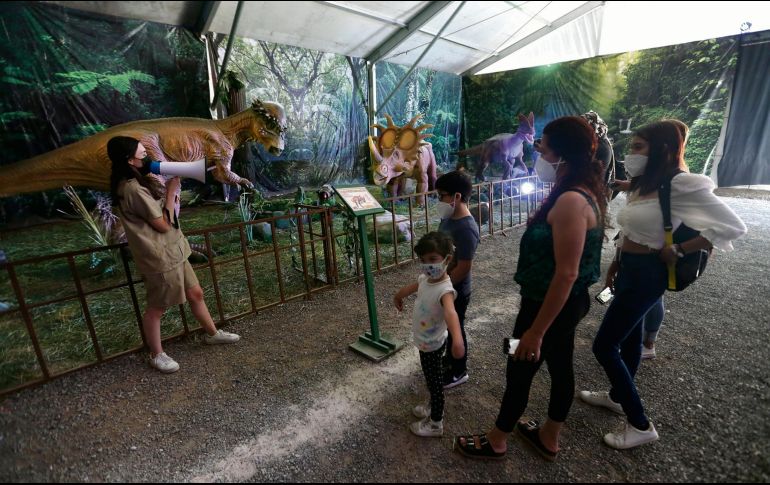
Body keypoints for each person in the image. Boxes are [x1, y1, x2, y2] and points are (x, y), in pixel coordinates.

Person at [580, 120, 746, 449]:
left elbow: (733, 226)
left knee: (604, 346)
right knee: (628, 341)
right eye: (632, 147)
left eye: (638, 147)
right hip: (629, 268)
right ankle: (617, 396)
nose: (631, 154)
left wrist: (682, 248)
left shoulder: (682, 184)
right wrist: (616, 261)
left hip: (650, 274)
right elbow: (631, 227)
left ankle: (640, 424)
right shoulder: (645, 183)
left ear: (663, 150)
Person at [455, 116, 607, 461]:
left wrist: (536, 332)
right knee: (560, 364)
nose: (537, 152)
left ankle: (497, 440)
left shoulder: (571, 200)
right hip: (561, 304)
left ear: (562, 156)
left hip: (549, 304)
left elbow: (566, 274)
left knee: (520, 367)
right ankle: (548, 436)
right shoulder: (578, 191)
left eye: (543, 147)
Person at [107, 136, 240, 374]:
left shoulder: (138, 182)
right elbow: (162, 225)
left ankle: (212, 334)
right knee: (157, 307)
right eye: (141, 155)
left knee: (195, 292)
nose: (146, 159)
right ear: (128, 161)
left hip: (174, 250)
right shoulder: (131, 189)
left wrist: (169, 190)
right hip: (159, 257)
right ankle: (156, 354)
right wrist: (171, 193)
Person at [393, 231, 464, 437]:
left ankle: (435, 423)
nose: (427, 265)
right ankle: (432, 406)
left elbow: (451, 313)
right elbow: (413, 287)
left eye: (433, 259)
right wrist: (399, 295)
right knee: (431, 377)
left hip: (433, 344)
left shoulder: (445, 290)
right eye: (423, 260)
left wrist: (457, 340)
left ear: (447, 259)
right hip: (425, 342)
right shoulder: (426, 278)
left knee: (434, 382)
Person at [434, 170, 480, 389]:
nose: (439, 200)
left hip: (456, 289)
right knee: (449, 327)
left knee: (455, 328)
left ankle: (459, 370)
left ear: (457, 197)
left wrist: (444, 288)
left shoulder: (466, 228)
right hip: (444, 285)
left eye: (442, 195)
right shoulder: (449, 217)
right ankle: (451, 359)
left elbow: (464, 266)